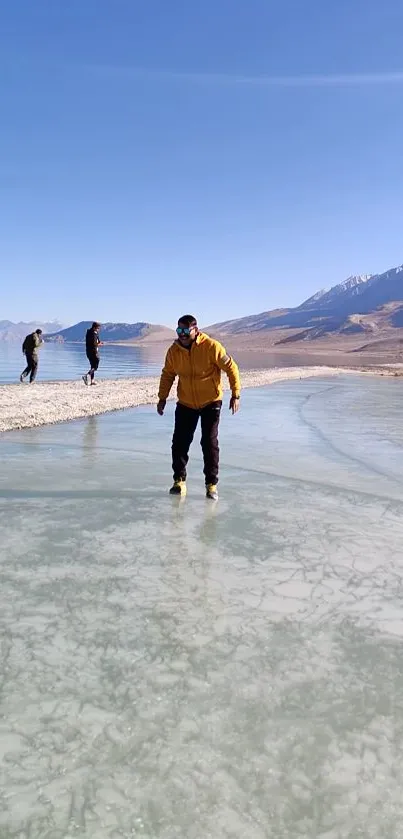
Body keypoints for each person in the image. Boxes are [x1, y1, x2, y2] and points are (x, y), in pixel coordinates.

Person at [157, 315, 241, 500]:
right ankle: (179, 481)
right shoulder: (174, 351)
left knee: (209, 442)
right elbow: (167, 374)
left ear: (196, 330)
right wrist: (162, 398)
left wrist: (236, 394)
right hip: (186, 402)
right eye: (179, 331)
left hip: (211, 401)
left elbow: (231, 368)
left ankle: (211, 484)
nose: (182, 335)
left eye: (186, 331)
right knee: (179, 442)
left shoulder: (212, 347)